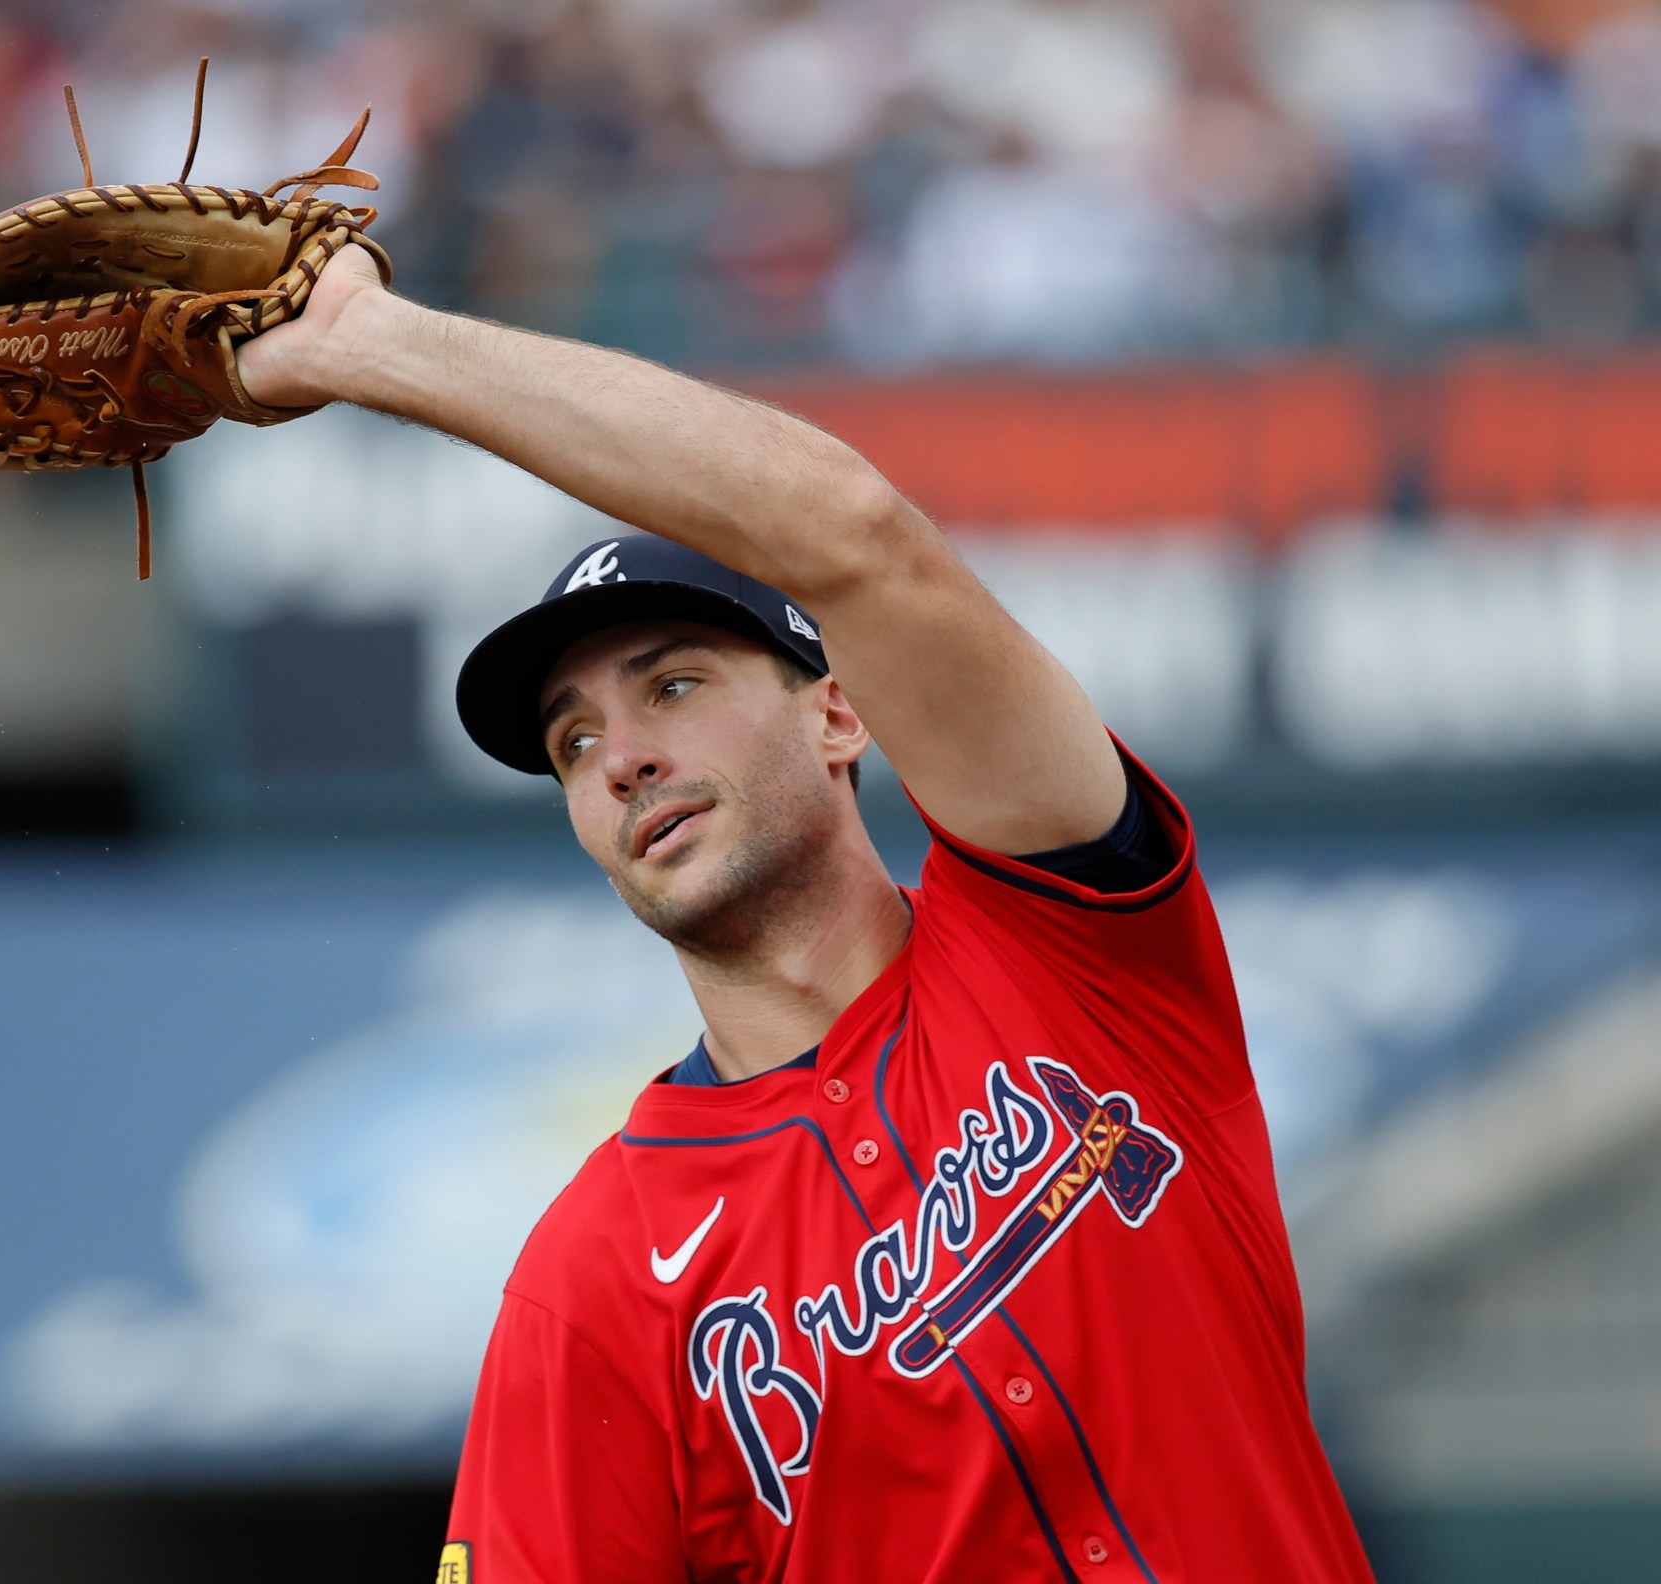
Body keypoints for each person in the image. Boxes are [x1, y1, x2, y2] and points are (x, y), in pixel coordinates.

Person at [236, 250, 1376, 1584]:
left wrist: (368, 344)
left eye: (673, 686)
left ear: (839, 714)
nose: (621, 758)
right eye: (572, 740)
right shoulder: (594, 1281)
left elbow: (856, 533)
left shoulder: (1073, 937)